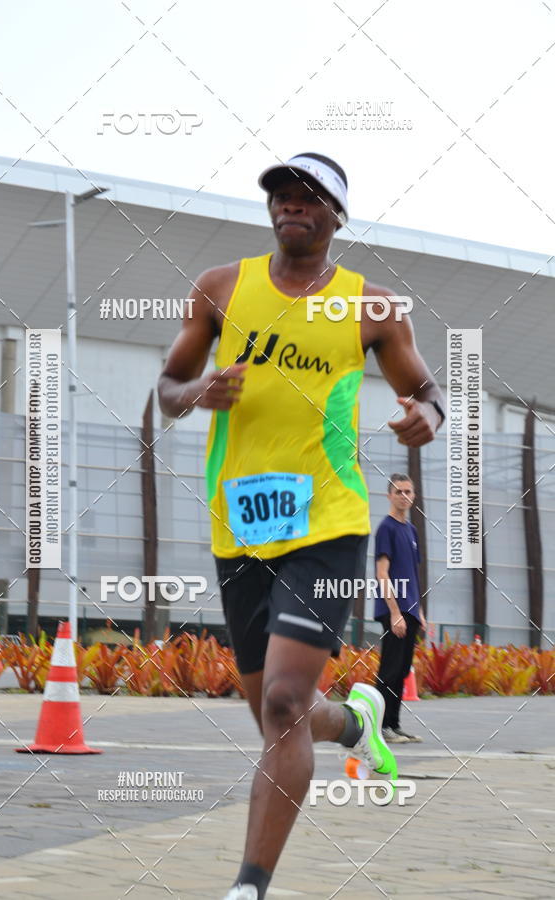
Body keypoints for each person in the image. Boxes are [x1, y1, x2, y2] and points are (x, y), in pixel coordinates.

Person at [158, 152, 444, 900]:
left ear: (336, 217)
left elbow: (425, 388)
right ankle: (356, 723)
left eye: (310, 195)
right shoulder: (221, 289)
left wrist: (426, 416)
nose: (291, 202)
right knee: (275, 717)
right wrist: (197, 392)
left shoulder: (371, 307)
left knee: (284, 704)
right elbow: (166, 388)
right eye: (281, 193)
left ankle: (249, 886)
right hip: (242, 527)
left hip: (330, 523)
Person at [374, 474, 428, 743]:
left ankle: (393, 725)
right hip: (393, 609)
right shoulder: (387, 528)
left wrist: (419, 612)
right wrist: (395, 612)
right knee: (390, 669)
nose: (404, 496)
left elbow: (413, 574)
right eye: (399, 491)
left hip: (410, 609)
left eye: (408, 491)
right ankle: (379, 727)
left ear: (413, 496)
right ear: (389, 496)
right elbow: (382, 573)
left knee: (403, 670)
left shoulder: (411, 530)